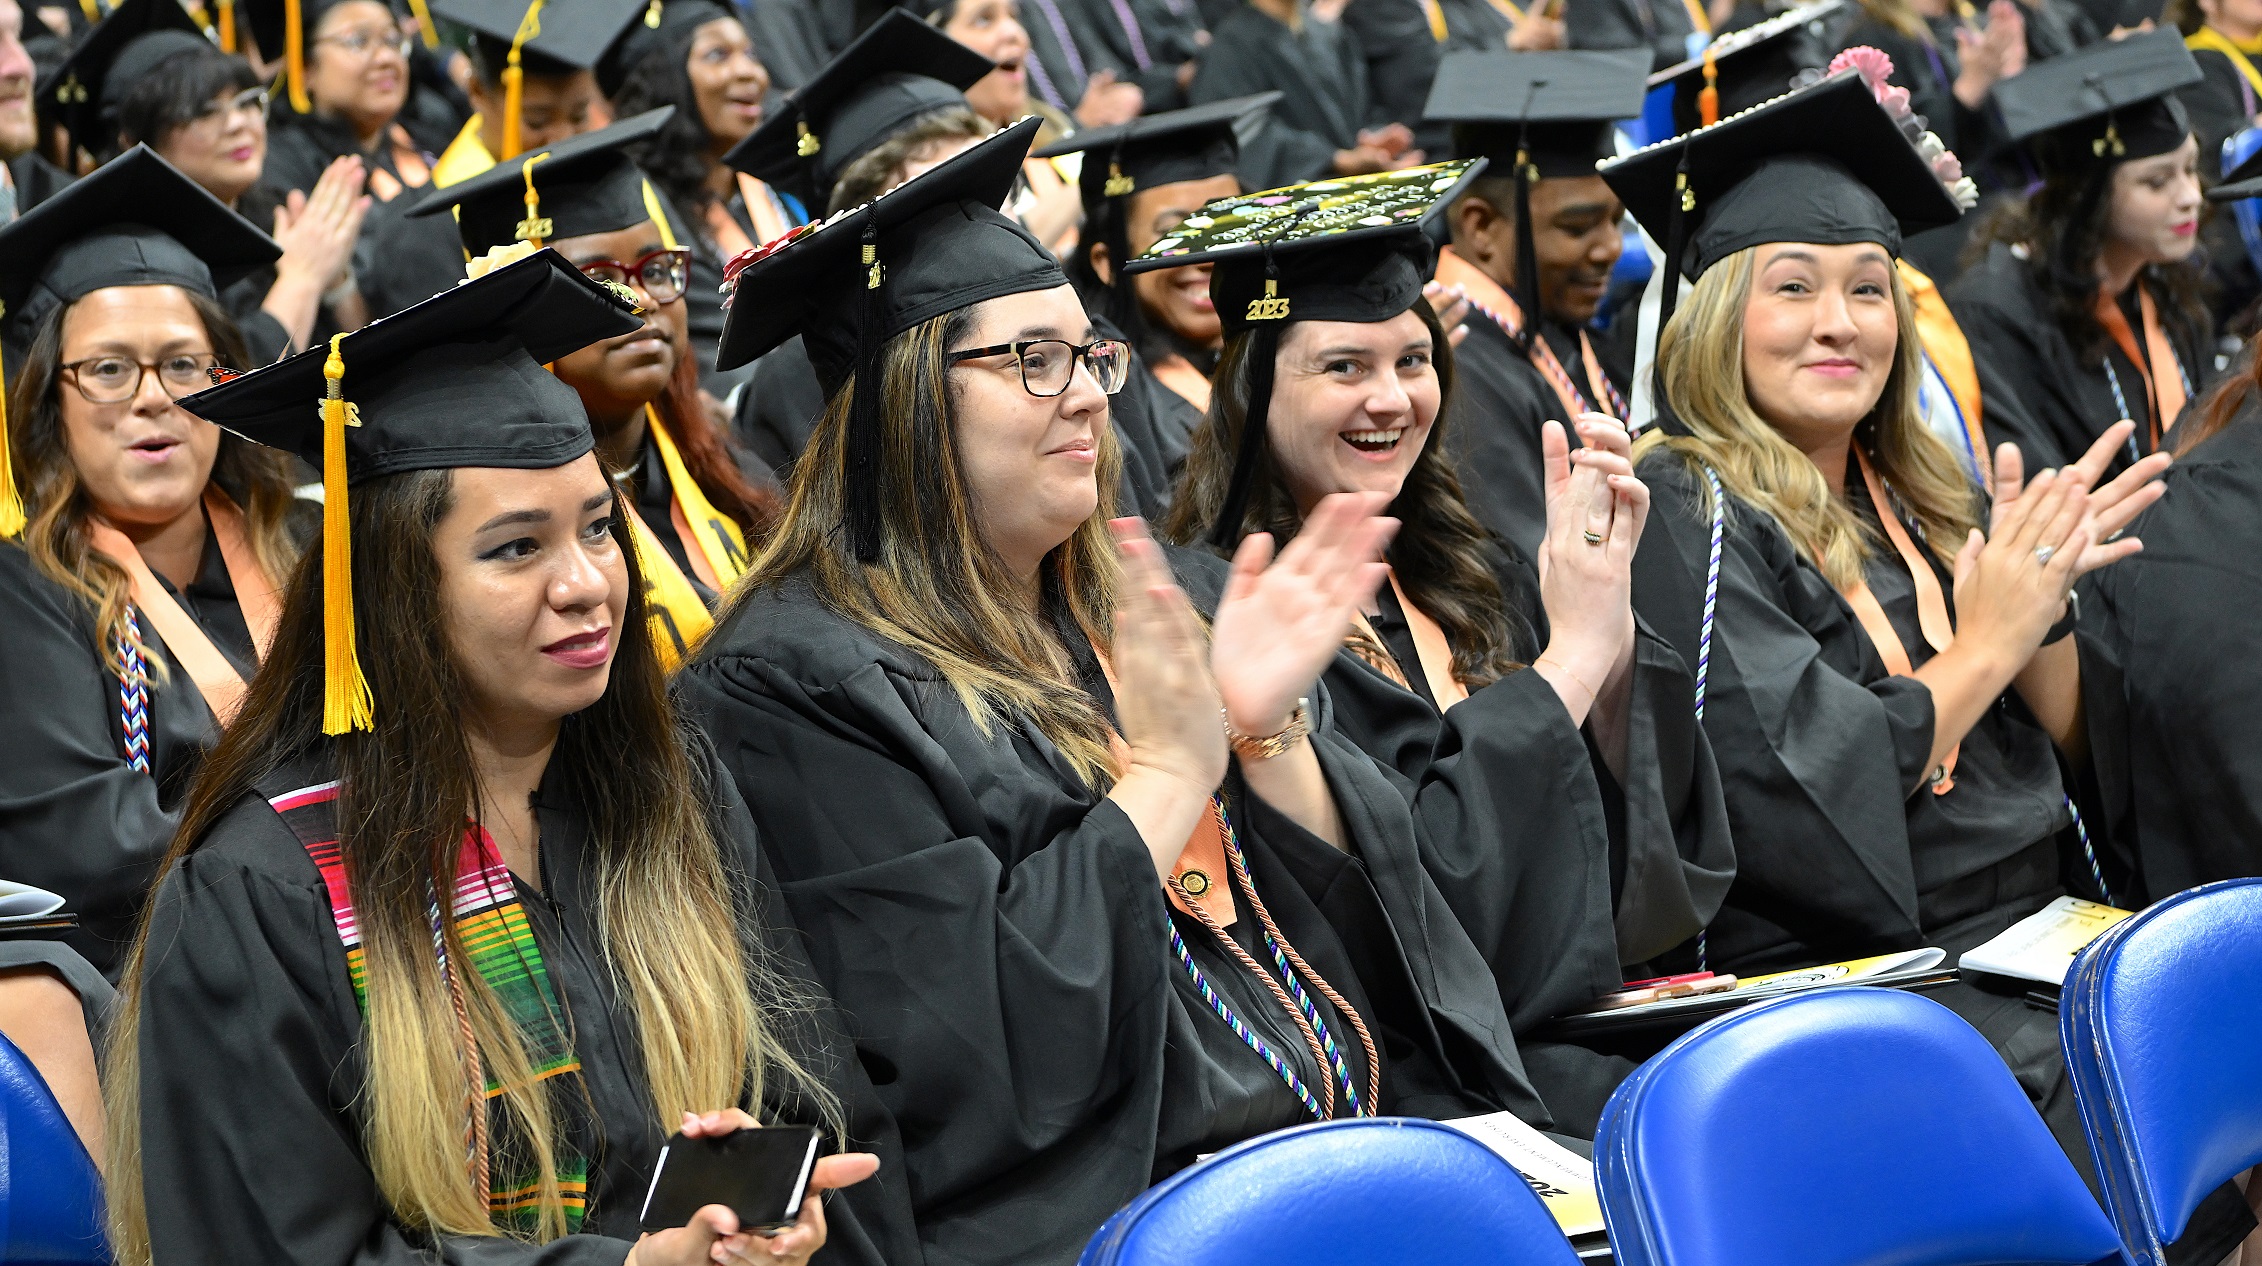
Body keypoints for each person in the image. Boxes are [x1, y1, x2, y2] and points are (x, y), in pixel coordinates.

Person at [677, 119, 1566, 1265]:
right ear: (903, 400)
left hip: (1323, 1145)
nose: (1093, 395)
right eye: (1029, 361)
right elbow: (967, 1038)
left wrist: (1260, 733)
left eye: (1089, 353)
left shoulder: (1130, 601)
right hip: (1096, 1222)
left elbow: (1379, 934)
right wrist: (1166, 773)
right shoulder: (790, 685)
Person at [110, 248, 906, 1266]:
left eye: (598, 529)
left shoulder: (670, 791)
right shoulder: (266, 891)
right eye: (516, 548)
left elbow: (808, 1097)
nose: (586, 585)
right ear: (397, 589)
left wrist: (764, 1206)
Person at [1605, 75, 2252, 1256]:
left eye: (1868, 289)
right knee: (2100, 1087)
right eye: (1790, 289)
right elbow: (1802, 789)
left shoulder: (1922, 487)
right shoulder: (1684, 502)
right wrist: (1989, 638)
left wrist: (2045, 603)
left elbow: (2074, 753)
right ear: (1715, 317)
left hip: (2030, 930)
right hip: (1847, 967)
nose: (1838, 322)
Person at [1139, 163, 1735, 1130]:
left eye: (1413, 361)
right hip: (1425, 1081)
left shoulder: (1469, 567)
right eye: (1344, 366)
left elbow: (1647, 862)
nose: (1391, 398)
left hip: (1576, 1022)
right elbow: (1414, 912)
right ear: (1253, 391)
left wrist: (1611, 640)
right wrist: (1569, 666)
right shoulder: (1223, 613)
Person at [0, 147, 301, 977]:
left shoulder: (311, 553)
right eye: (106, 369)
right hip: (172, 991)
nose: (153, 396)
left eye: (182, 363)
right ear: (48, 402)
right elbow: (98, 849)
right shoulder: (23, 594)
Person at [412, 109, 776, 666]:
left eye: (656, 268)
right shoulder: (499, 526)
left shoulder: (722, 463)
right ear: (516, 312)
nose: (646, 299)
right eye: (599, 279)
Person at [723, 10, 997, 470]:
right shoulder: (804, 376)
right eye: (940, 196)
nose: (978, 221)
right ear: (866, 219)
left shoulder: (1035, 311)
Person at [1952, 32, 2212, 478]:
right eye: (2156, 181)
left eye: (2190, 169)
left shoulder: (2162, 279)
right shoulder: (1999, 311)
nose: (2191, 197)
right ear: (2088, 195)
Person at [1422, 49, 1644, 559]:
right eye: (1578, 226)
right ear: (1480, 225)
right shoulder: (1456, 371)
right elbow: (1516, 571)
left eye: (1616, 220)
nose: (1610, 247)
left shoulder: (1558, 326)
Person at [50, 11, 370, 360]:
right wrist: (302, 280)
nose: (237, 124)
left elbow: (358, 357)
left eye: (247, 103)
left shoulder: (277, 211)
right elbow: (228, 387)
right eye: (204, 111)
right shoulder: (136, 256)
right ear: (134, 140)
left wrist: (336, 279)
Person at [1037, 94, 1277, 518]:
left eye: (1228, 224)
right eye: (1174, 232)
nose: (1209, 256)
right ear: (1107, 262)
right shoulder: (1106, 394)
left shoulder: (1276, 342)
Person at [354, 0, 641, 319]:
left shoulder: (617, 183)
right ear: (476, 90)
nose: (563, 139)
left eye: (579, 116)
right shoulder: (423, 233)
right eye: (536, 121)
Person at [608, 0, 811, 393]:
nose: (749, 72)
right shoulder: (652, 211)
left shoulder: (777, 189)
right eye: (718, 55)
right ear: (669, 79)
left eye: (751, 54)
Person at [1188, 0, 1425, 188]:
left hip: (1354, 194)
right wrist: (1334, 159)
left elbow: (1362, 107)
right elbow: (1242, 137)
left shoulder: (1329, 35)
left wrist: (1369, 140)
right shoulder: (1231, 47)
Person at [246, 0, 442, 202]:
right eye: (358, 41)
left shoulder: (429, 135)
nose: (385, 58)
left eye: (392, 40)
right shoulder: (282, 169)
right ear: (306, 68)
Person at [1832, 0, 2023, 166]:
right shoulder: (1870, 43)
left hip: (2015, 176)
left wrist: (2014, 73)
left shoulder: (1966, 17)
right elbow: (1894, 150)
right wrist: (1970, 89)